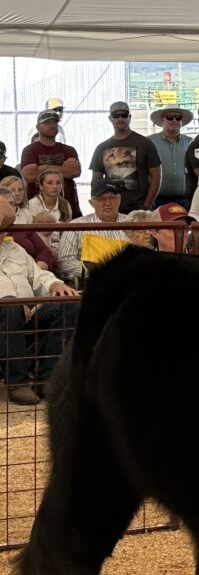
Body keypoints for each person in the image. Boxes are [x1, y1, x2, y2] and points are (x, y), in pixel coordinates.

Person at [0, 199, 80, 405]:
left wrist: (55, 284)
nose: (3, 232)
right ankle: (18, 383)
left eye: (5, 227)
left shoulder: (15, 249)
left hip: (28, 312)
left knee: (69, 302)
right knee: (10, 306)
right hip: (5, 314)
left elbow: (38, 276)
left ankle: (48, 379)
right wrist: (11, 301)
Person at [89, 101, 160, 212]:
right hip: (112, 210)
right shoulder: (101, 148)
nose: (120, 118)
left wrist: (146, 206)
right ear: (110, 118)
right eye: (116, 115)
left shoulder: (146, 144)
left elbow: (156, 176)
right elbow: (96, 181)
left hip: (140, 209)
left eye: (124, 115)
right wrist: (99, 207)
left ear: (129, 117)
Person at [56, 183, 130, 283]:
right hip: (93, 283)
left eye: (112, 198)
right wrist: (101, 271)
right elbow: (65, 263)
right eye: (101, 199)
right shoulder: (75, 226)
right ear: (92, 203)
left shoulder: (134, 223)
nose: (107, 203)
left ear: (119, 199)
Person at [20, 108, 82, 216]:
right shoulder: (29, 150)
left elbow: (75, 172)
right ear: (37, 127)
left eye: (54, 122)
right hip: (37, 209)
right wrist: (63, 168)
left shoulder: (69, 150)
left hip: (66, 207)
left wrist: (43, 168)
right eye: (47, 123)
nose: (52, 125)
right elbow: (29, 175)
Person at [145, 105, 193, 208]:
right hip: (156, 199)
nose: (174, 120)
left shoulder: (190, 142)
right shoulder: (149, 142)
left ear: (181, 121)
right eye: (169, 117)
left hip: (184, 200)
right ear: (162, 120)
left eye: (178, 118)